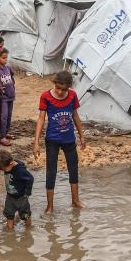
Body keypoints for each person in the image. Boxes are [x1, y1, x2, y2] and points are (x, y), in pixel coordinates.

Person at [33, 70, 86, 214]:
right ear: (54, 84)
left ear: (69, 87)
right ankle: (50, 206)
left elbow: (75, 116)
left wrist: (81, 135)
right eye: (58, 88)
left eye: (64, 89)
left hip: (69, 139)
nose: (61, 92)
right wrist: (36, 142)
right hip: (52, 140)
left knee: (73, 169)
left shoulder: (73, 95)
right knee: (51, 172)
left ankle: (75, 200)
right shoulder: (45, 96)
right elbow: (41, 119)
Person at [0, 149, 34, 229]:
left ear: (11, 163)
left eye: (3, 169)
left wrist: (27, 193)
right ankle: (10, 230)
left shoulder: (20, 170)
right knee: (9, 214)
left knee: (25, 214)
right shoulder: (7, 164)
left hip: (22, 197)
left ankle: (29, 229)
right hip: (10, 196)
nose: (3, 171)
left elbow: (30, 178)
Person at [0, 47, 15, 146]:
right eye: (3, 58)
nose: (6, 60)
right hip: (3, 98)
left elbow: (12, 77)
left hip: (10, 96)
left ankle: (6, 132)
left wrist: (12, 87)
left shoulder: (7, 68)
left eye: (6, 58)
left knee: (8, 115)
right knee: (3, 117)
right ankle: (2, 136)